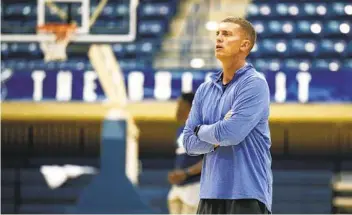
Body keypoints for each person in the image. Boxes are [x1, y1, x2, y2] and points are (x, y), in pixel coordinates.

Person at [183, 17, 273, 214]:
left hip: (247, 195)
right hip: (208, 195)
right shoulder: (205, 89)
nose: (218, 39)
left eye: (226, 34)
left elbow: (231, 134)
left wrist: (201, 130)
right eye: (217, 34)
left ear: (245, 45)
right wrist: (217, 134)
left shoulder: (254, 84)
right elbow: (188, 143)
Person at [167, 92, 203, 214]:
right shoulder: (181, 130)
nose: (177, 108)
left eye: (180, 104)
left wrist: (186, 173)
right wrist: (177, 174)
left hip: (195, 187)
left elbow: (212, 160)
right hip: (178, 188)